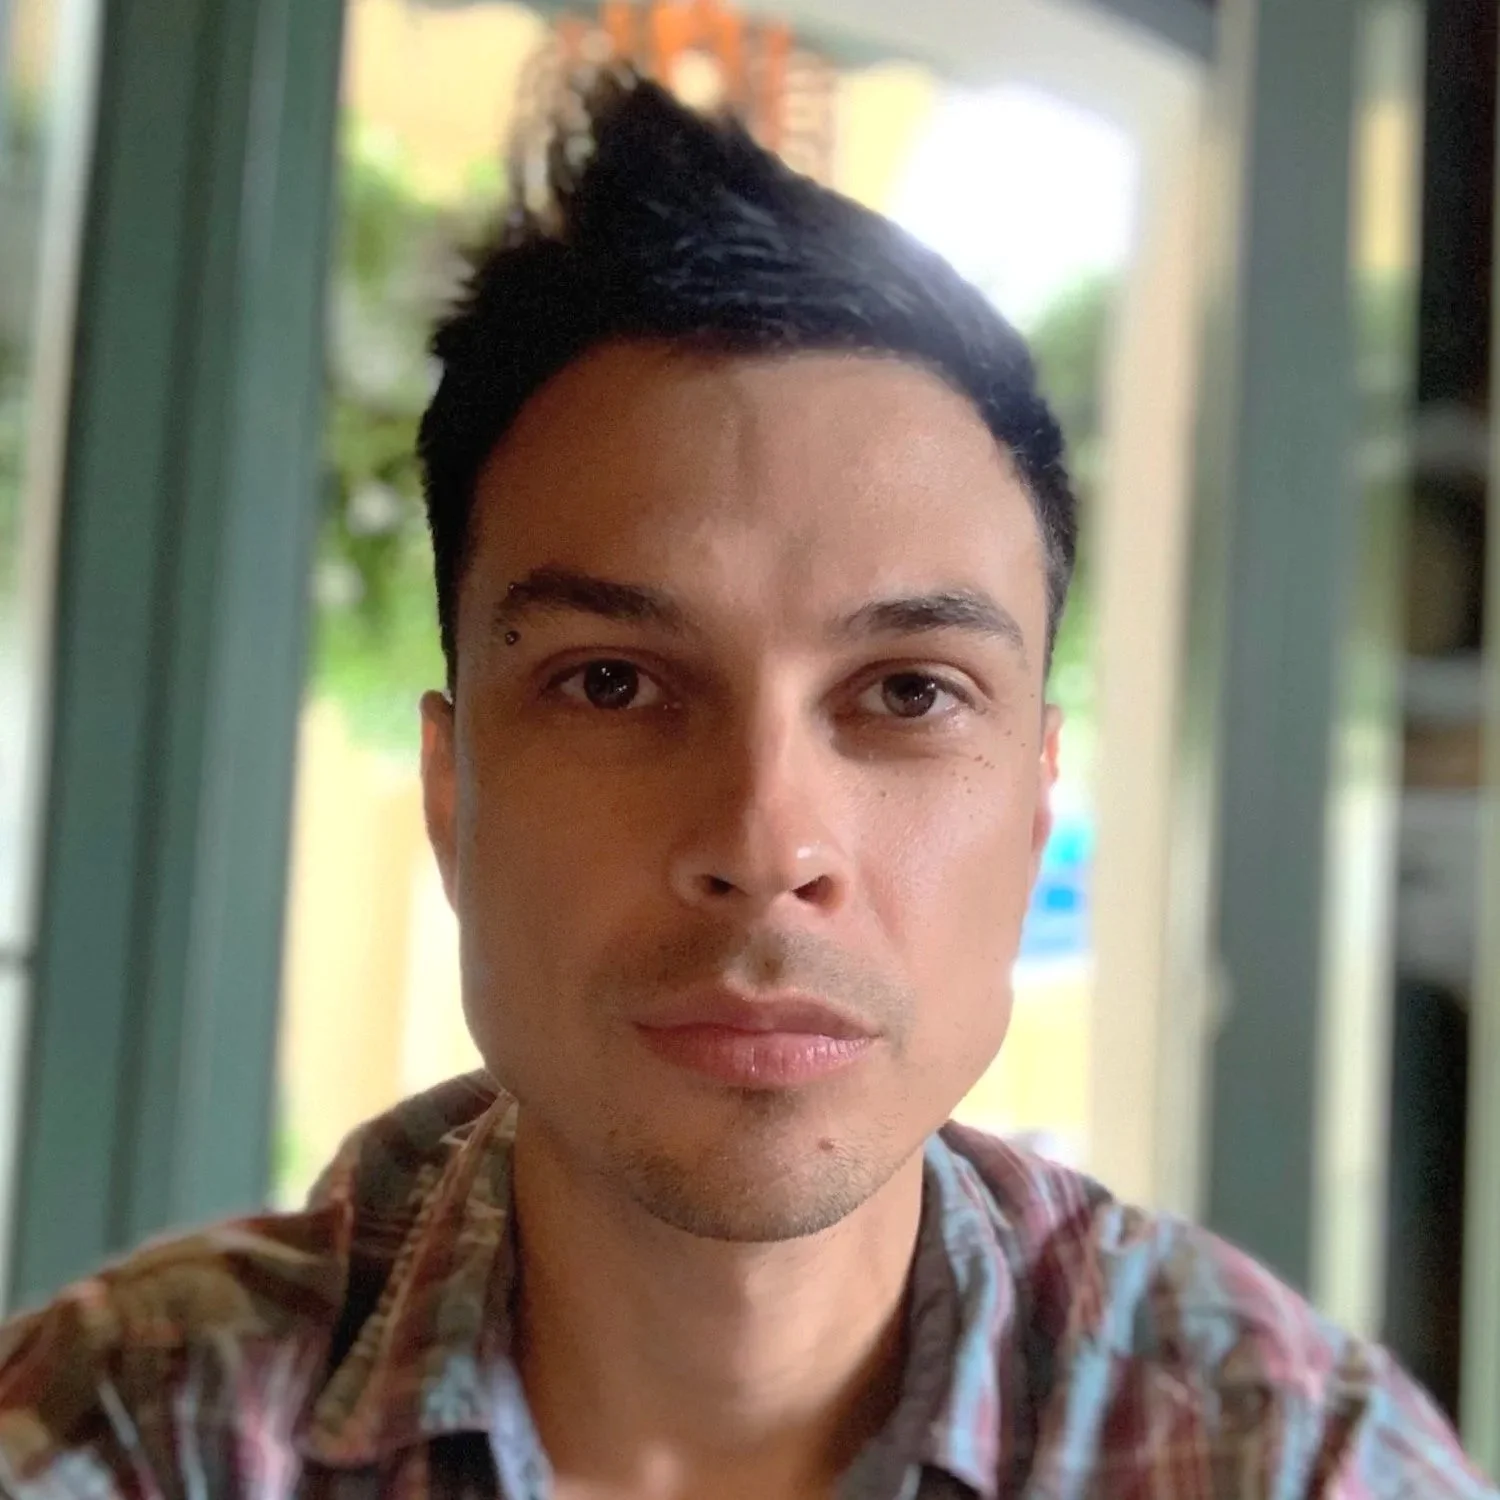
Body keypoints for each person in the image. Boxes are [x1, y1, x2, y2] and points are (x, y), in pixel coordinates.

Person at [0, 73, 1490, 1500]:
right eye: (613, 682)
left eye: (908, 693)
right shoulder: (132, 1429)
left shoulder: (1284, 1459)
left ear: (1037, 810)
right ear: (454, 797)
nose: (765, 842)